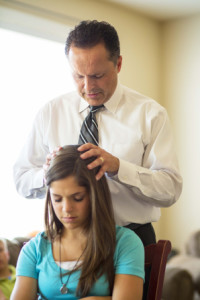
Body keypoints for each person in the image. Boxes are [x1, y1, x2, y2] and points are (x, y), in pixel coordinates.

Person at [13, 20, 182, 247]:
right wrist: (47, 173)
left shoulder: (150, 114)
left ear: (118, 64)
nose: (88, 86)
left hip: (130, 241)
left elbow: (170, 189)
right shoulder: (50, 112)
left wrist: (118, 168)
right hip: (68, 243)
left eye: (98, 75)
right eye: (78, 76)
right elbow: (22, 180)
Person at [11, 145, 145, 300]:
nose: (67, 208)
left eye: (77, 198)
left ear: (95, 195)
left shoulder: (125, 243)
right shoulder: (34, 250)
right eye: (57, 199)